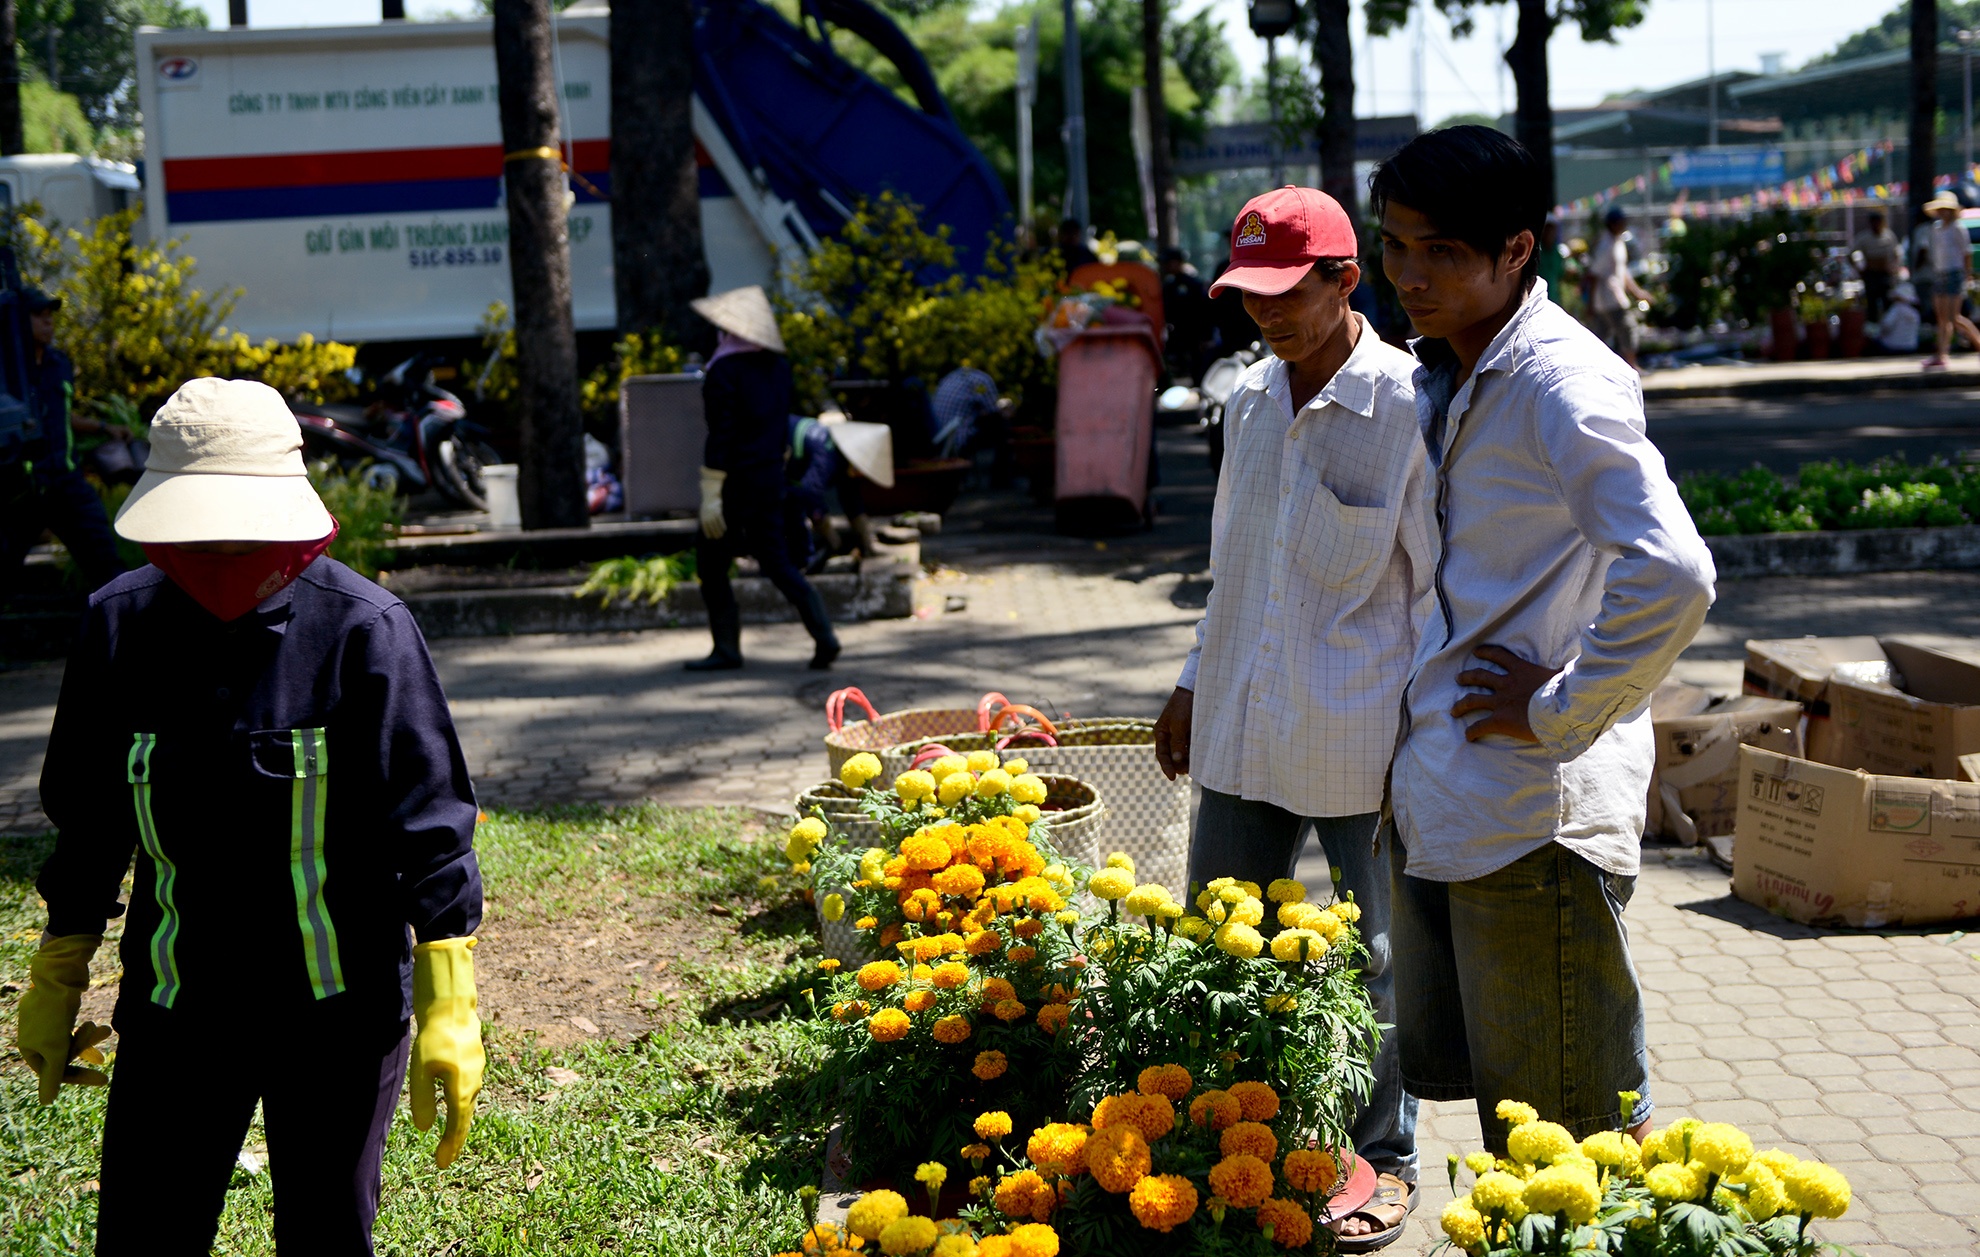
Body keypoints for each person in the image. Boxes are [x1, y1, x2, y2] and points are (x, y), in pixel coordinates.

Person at [14, 377, 485, 1254]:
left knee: (326, 1234)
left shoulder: (364, 631)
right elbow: (90, 819)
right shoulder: (116, 628)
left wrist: (449, 999)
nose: (225, 549)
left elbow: (429, 824)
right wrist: (59, 970)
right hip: (176, 1011)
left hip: (337, 1018)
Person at [1372, 126, 1715, 1153]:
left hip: (1533, 820)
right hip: (1458, 799)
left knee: (1568, 1140)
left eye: (1439, 251)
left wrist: (1559, 708)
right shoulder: (1460, 367)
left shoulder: (1562, 383)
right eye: (1394, 246)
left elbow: (1675, 571)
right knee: (1524, 1123)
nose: (1408, 276)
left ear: (1515, 251)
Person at [1153, 186, 1431, 1253]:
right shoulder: (1249, 402)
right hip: (1239, 714)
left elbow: (1437, 590)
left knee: (1372, 963)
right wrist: (1188, 681)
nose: (1264, 313)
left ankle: (1385, 1160)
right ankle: (1243, 1139)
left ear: (1344, 279)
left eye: (1286, 291)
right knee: (1222, 943)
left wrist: (1433, 739)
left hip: (1362, 732)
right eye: (1247, 293)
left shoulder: (1410, 407)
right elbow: (1235, 572)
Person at [690, 285, 840, 671]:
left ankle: (726, 649)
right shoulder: (778, 367)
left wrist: (711, 490)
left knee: (710, 563)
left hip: (735, 484)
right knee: (776, 561)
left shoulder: (723, 370)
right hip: (770, 479)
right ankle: (824, 635)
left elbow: (721, 434)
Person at [0, 286, 126, 604]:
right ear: (15, 320)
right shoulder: (6, 370)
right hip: (20, 488)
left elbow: (60, 414)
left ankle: (126, 642)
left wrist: (103, 427)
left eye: (50, 316)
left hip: (66, 482)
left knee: (106, 566)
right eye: (38, 316)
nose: (48, 323)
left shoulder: (59, 363)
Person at [786, 411, 893, 570]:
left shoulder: (841, 454)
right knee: (791, 515)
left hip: (788, 463)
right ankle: (800, 564)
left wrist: (868, 543)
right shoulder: (827, 452)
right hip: (773, 448)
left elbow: (852, 499)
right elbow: (810, 494)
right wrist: (832, 539)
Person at [1583, 206, 1652, 370]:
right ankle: (1631, 364)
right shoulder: (1605, 246)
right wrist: (1590, 304)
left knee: (1601, 335)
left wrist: (1637, 292)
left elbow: (1623, 271)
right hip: (1609, 297)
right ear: (1613, 224)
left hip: (1615, 296)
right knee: (1627, 327)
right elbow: (1593, 275)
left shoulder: (1618, 242)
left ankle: (1595, 367)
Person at [1919, 193, 1980, 367]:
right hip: (1940, 273)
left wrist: (1966, 275)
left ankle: (1978, 344)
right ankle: (1941, 354)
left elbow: (1966, 253)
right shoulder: (1936, 229)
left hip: (1955, 274)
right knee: (1942, 318)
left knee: (1954, 317)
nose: (1943, 212)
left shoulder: (1958, 228)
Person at [1159, 245, 1216, 380]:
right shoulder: (1168, 285)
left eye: (1168, 262)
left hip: (1194, 336)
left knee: (1196, 370)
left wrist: (1206, 337)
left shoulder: (1193, 284)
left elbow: (1204, 311)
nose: (1166, 266)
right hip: (1176, 337)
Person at [1851, 210, 1901, 323]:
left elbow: (1896, 254)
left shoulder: (1889, 236)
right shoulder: (1864, 238)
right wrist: (1859, 270)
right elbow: (1851, 254)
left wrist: (1894, 268)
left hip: (1885, 275)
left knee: (1887, 302)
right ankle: (1872, 328)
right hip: (1871, 275)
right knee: (1871, 305)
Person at [1877, 280, 1923, 354]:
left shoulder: (1896, 309)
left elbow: (1886, 326)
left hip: (1893, 346)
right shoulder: (1915, 312)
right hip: (1911, 346)